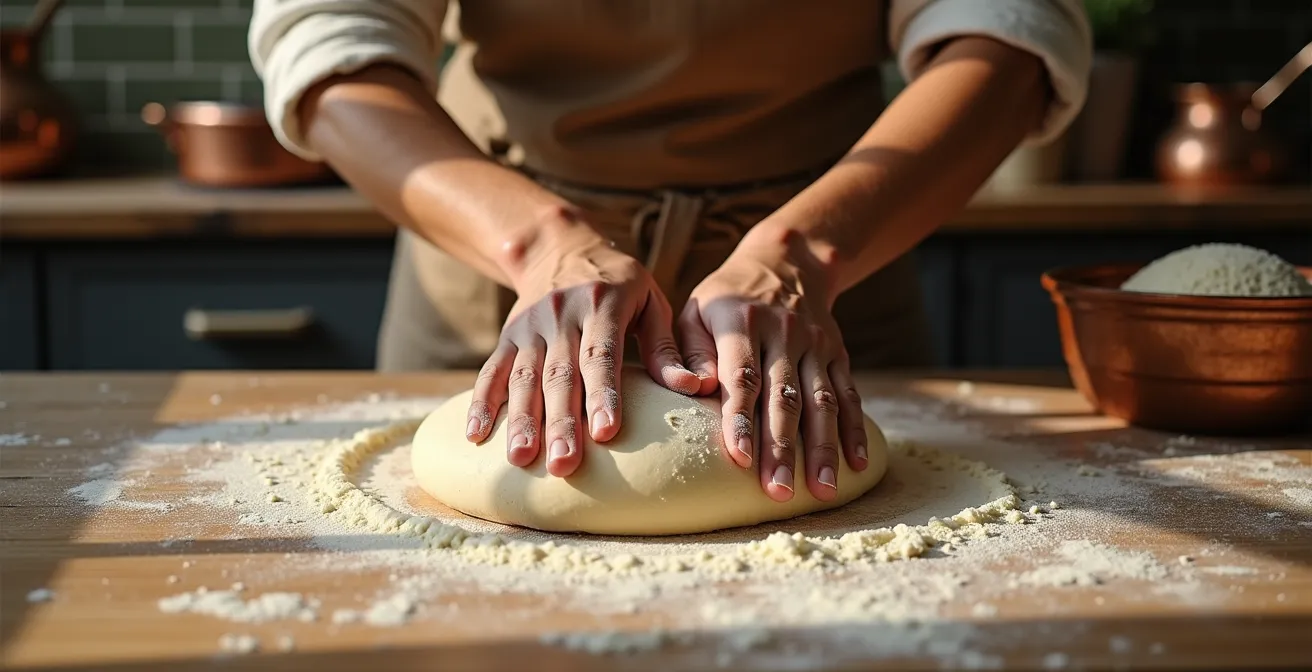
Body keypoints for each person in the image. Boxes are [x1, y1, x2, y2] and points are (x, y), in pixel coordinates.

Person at [250, 0, 1090, 503]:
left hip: (831, 268)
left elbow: (1010, 33)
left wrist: (802, 255)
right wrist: (538, 243)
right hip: (498, 269)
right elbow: (328, 42)